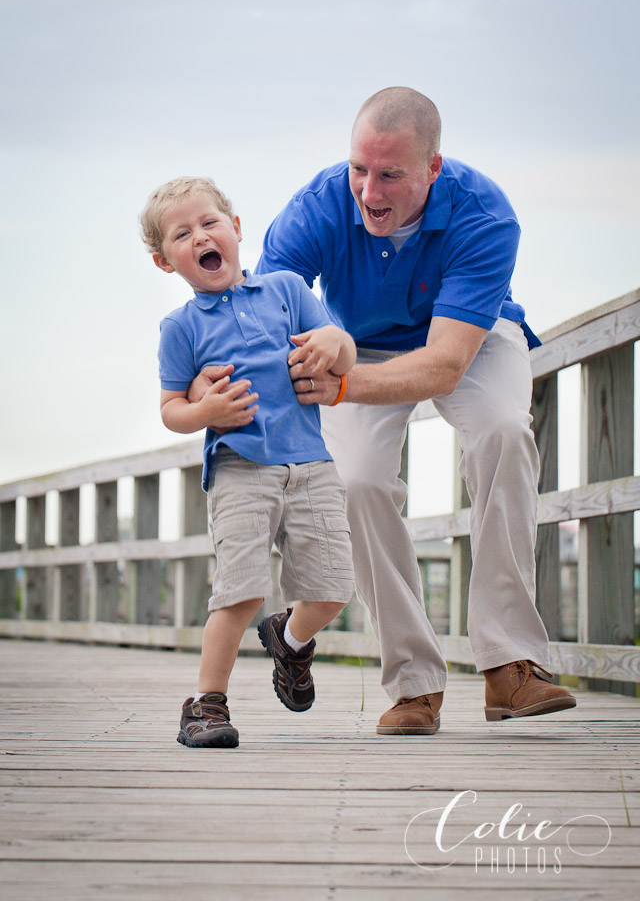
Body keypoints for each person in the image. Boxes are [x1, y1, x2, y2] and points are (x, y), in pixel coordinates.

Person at [250, 86, 575, 734]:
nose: (369, 192)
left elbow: (446, 363)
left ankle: (510, 663)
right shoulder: (315, 207)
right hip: (358, 341)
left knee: (504, 432)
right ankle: (414, 683)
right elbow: (265, 315)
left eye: (391, 175)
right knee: (358, 481)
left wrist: (340, 388)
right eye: (359, 169)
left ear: (433, 167)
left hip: (467, 336)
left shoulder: (485, 213)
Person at [140, 176, 356, 747]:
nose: (200, 237)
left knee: (334, 587)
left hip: (311, 464)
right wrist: (204, 410)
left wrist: (335, 346)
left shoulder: (287, 289)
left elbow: (343, 351)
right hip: (239, 467)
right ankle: (206, 705)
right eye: (182, 234)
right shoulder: (181, 328)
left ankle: (291, 639)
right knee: (240, 593)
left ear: (235, 229)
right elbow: (171, 409)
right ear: (165, 261)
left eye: (210, 223)